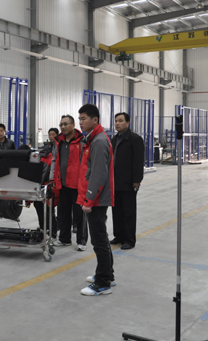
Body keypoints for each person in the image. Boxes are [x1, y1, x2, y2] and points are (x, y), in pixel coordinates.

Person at [77, 103, 115, 296]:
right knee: (101, 238)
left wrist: (89, 200)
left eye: (83, 119)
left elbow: (98, 174)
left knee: (99, 240)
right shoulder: (93, 139)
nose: (80, 122)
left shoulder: (99, 141)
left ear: (95, 120)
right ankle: (108, 274)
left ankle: (103, 283)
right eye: (80, 119)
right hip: (95, 197)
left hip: (97, 199)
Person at [52, 115, 88, 251]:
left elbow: (86, 162)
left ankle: (81, 241)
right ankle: (64, 239)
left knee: (80, 214)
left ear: (73, 125)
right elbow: (54, 161)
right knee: (63, 213)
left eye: (66, 124)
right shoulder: (59, 142)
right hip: (62, 184)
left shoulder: (82, 141)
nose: (63, 127)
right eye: (61, 124)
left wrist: (85, 181)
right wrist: (52, 178)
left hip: (77, 185)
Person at [110, 112, 144, 250]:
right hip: (115, 181)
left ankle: (129, 240)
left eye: (120, 121)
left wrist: (137, 180)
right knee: (116, 210)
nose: (117, 123)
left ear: (128, 123)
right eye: (116, 121)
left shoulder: (135, 139)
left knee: (128, 212)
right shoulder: (115, 139)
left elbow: (138, 161)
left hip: (128, 182)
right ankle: (119, 236)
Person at [34, 128, 58, 234]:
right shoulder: (45, 149)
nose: (51, 136)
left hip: (52, 182)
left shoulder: (59, 147)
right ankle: (43, 227)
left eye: (53, 134)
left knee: (50, 209)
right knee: (39, 205)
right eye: (50, 134)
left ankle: (53, 231)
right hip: (42, 183)